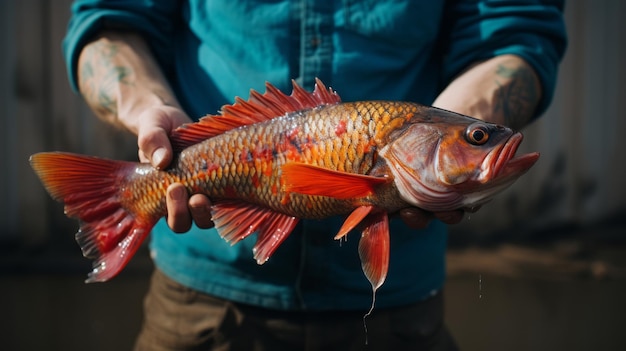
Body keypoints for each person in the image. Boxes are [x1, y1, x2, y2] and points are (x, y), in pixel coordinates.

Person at [63, 1, 567, 350]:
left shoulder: (407, 150)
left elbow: (516, 28)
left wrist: (460, 121)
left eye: (477, 139)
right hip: (201, 302)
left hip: (400, 311)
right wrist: (152, 112)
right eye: (477, 139)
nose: (483, 146)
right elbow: (109, 18)